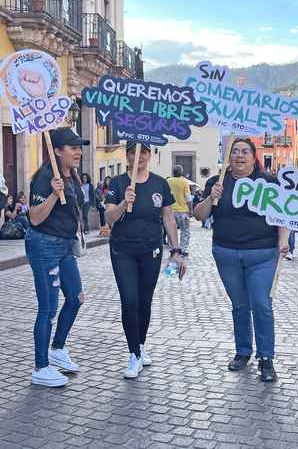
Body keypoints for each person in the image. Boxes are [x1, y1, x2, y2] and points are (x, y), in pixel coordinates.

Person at [194, 137, 288, 382]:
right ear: (228, 157)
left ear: (253, 156)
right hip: (226, 254)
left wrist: (283, 240)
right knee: (240, 305)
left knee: (261, 304)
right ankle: (243, 352)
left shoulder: (267, 182)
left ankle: (266, 358)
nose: (239, 155)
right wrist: (210, 198)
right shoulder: (217, 182)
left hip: (262, 254)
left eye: (245, 151)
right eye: (234, 151)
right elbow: (199, 215)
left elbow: (283, 214)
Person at [106, 141, 186, 379]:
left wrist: (176, 250)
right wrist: (123, 203)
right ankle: (133, 354)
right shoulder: (118, 183)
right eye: (133, 152)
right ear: (127, 156)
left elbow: (168, 218)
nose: (138, 156)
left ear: (149, 155)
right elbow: (109, 217)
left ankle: (140, 345)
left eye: (143, 152)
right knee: (129, 301)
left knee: (144, 302)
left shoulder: (159, 183)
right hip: (123, 251)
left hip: (150, 251)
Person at [26, 127, 89, 387]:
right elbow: (35, 217)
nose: (78, 152)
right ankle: (41, 367)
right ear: (57, 151)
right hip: (44, 246)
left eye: (79, 147)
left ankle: (57, 348)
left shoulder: (71, 175)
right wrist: (53, 193)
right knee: (48, 308)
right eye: (73, 148)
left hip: (64, 247)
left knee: (75, 298)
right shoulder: (44, 178)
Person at [167, 166, 193, 257]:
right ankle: (183, 249)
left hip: (170, 211)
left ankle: (173, 248)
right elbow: (188, 198)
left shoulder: (168, 181)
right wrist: (191, 210)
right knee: (185, 231)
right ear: (181, 172)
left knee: (171, 230)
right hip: (183, 211)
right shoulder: (184, 182)